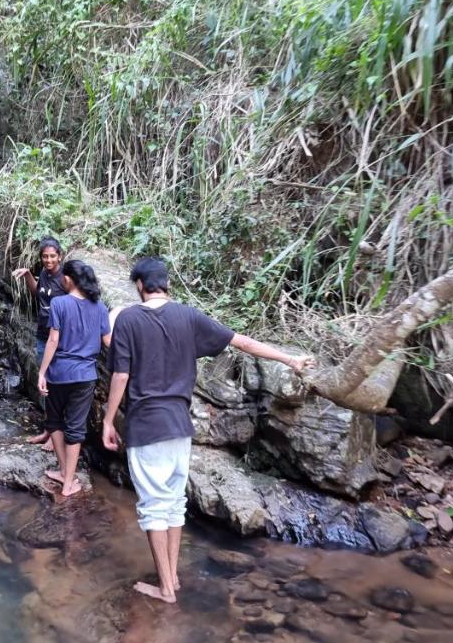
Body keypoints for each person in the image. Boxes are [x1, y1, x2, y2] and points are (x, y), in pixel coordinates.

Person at [101, 257, 313, 604]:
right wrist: (290, 360)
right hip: (181, 426)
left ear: (140, 285)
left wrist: (109, 421)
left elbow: (121, 375)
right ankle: (172, 580)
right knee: (172, 504)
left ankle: (166, 588)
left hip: (147, 424)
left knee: (154, 507)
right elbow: (240, 341)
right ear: (165, 284)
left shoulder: (128, 319)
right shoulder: (188, 315)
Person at [37, 260, 110, 497]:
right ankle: (68, 481)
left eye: (63, 278)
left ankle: (64, 473)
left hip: (59, 373)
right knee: (76, 428)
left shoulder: (59, 303)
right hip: (86, 376)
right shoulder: (99, 307)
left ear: (68, 279)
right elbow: (108, 341)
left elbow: (53, 340)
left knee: (55, 422)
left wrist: (42, 372)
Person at [11, 238, 65, 451]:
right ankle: (48, 430)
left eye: (52, 256)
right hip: (42, 334)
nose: (48, 260)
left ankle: (56, 436)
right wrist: (27, 277)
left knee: (56, 387)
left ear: (59, 256)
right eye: (45, 256)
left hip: (58, 340)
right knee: (44, 386)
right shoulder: (43, 274)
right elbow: (37, 294)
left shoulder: (64, 280)